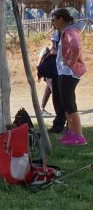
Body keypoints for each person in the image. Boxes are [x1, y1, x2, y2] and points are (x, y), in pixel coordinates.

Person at [51, 8, 87, 146]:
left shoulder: (70, 31)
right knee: (66, 103)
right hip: (63, 72)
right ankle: (71, 133)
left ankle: (79, 136)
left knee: (69, 104)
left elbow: (76, 47)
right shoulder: (64, 32)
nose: (52, 23)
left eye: (54, 20)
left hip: (68, 72)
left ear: (60, 20)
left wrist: (70, 62)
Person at [37, 44, 53, 116]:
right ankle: (62, 109)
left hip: (54, 74)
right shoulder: (45, 50)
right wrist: (38, 75)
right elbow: (39, 63)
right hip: (48, 74)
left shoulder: (57, 49)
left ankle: (42, 108)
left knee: (48, 91)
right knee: (55, 91)